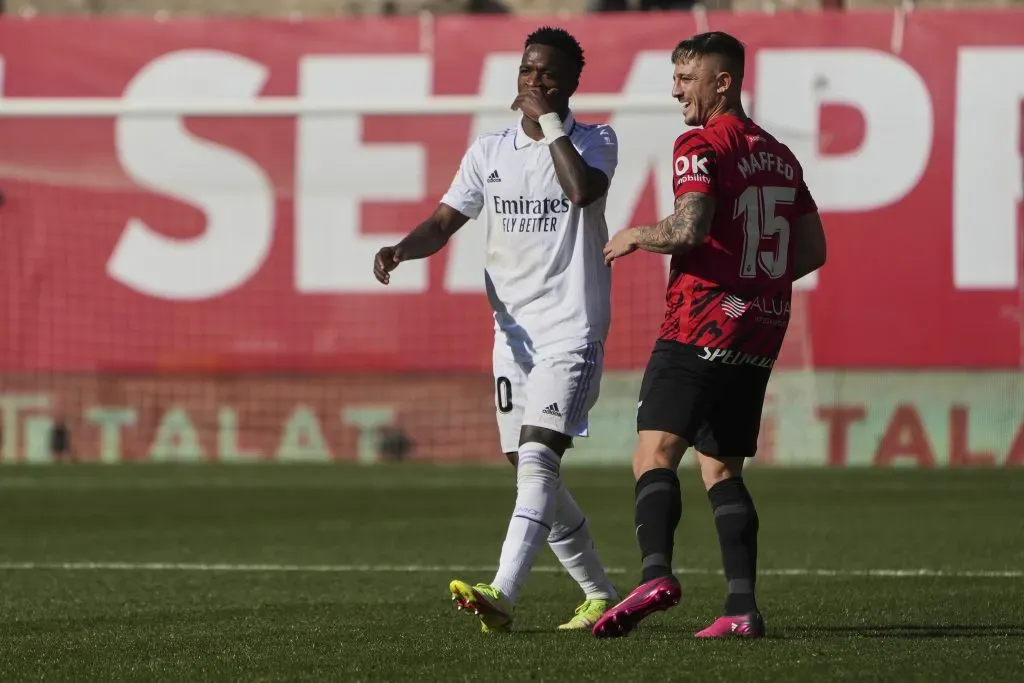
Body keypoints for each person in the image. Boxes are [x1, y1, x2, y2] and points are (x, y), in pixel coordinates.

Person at [373, 26, 620, 633]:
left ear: (570, 85)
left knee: (538, 459)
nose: (534, 81)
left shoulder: (595, 140)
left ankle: (502, 594)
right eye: (527, 70)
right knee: (527, 464)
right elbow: (442, 221)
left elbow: (582, 191)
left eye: (548, 74)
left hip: (570, 329)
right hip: (511, 337)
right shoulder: (489, 151)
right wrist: (402, 249)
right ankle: (601, 593)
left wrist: (553, 126)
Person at [591, 31, 828, 639]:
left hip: (699, 323)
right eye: (674, 78)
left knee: (654, 454)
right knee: (722, 469)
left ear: (723, 82)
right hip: (761, 328)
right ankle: (742, 610)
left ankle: (655, 574)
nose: (676, 90)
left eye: (687, 78)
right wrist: (752, 285)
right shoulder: (780, 155)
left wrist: (637, 234)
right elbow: (812, 250)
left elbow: (692, 226)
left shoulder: (700, 142)